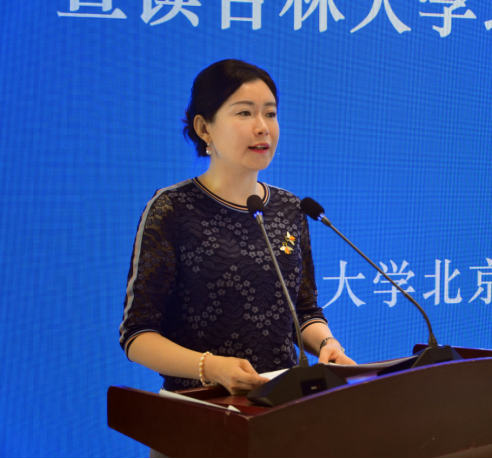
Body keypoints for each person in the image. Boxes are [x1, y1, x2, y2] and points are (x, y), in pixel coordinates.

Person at [119, 59, 355, 398]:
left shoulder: (290, 208)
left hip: (283, 402)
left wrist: (327, 344)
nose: (262, 127)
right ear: (204, 128)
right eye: (244, 113)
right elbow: (137, 334)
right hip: (199, 408)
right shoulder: (173, 208)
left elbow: (304, 312)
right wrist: (211, 367)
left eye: (270, 114)